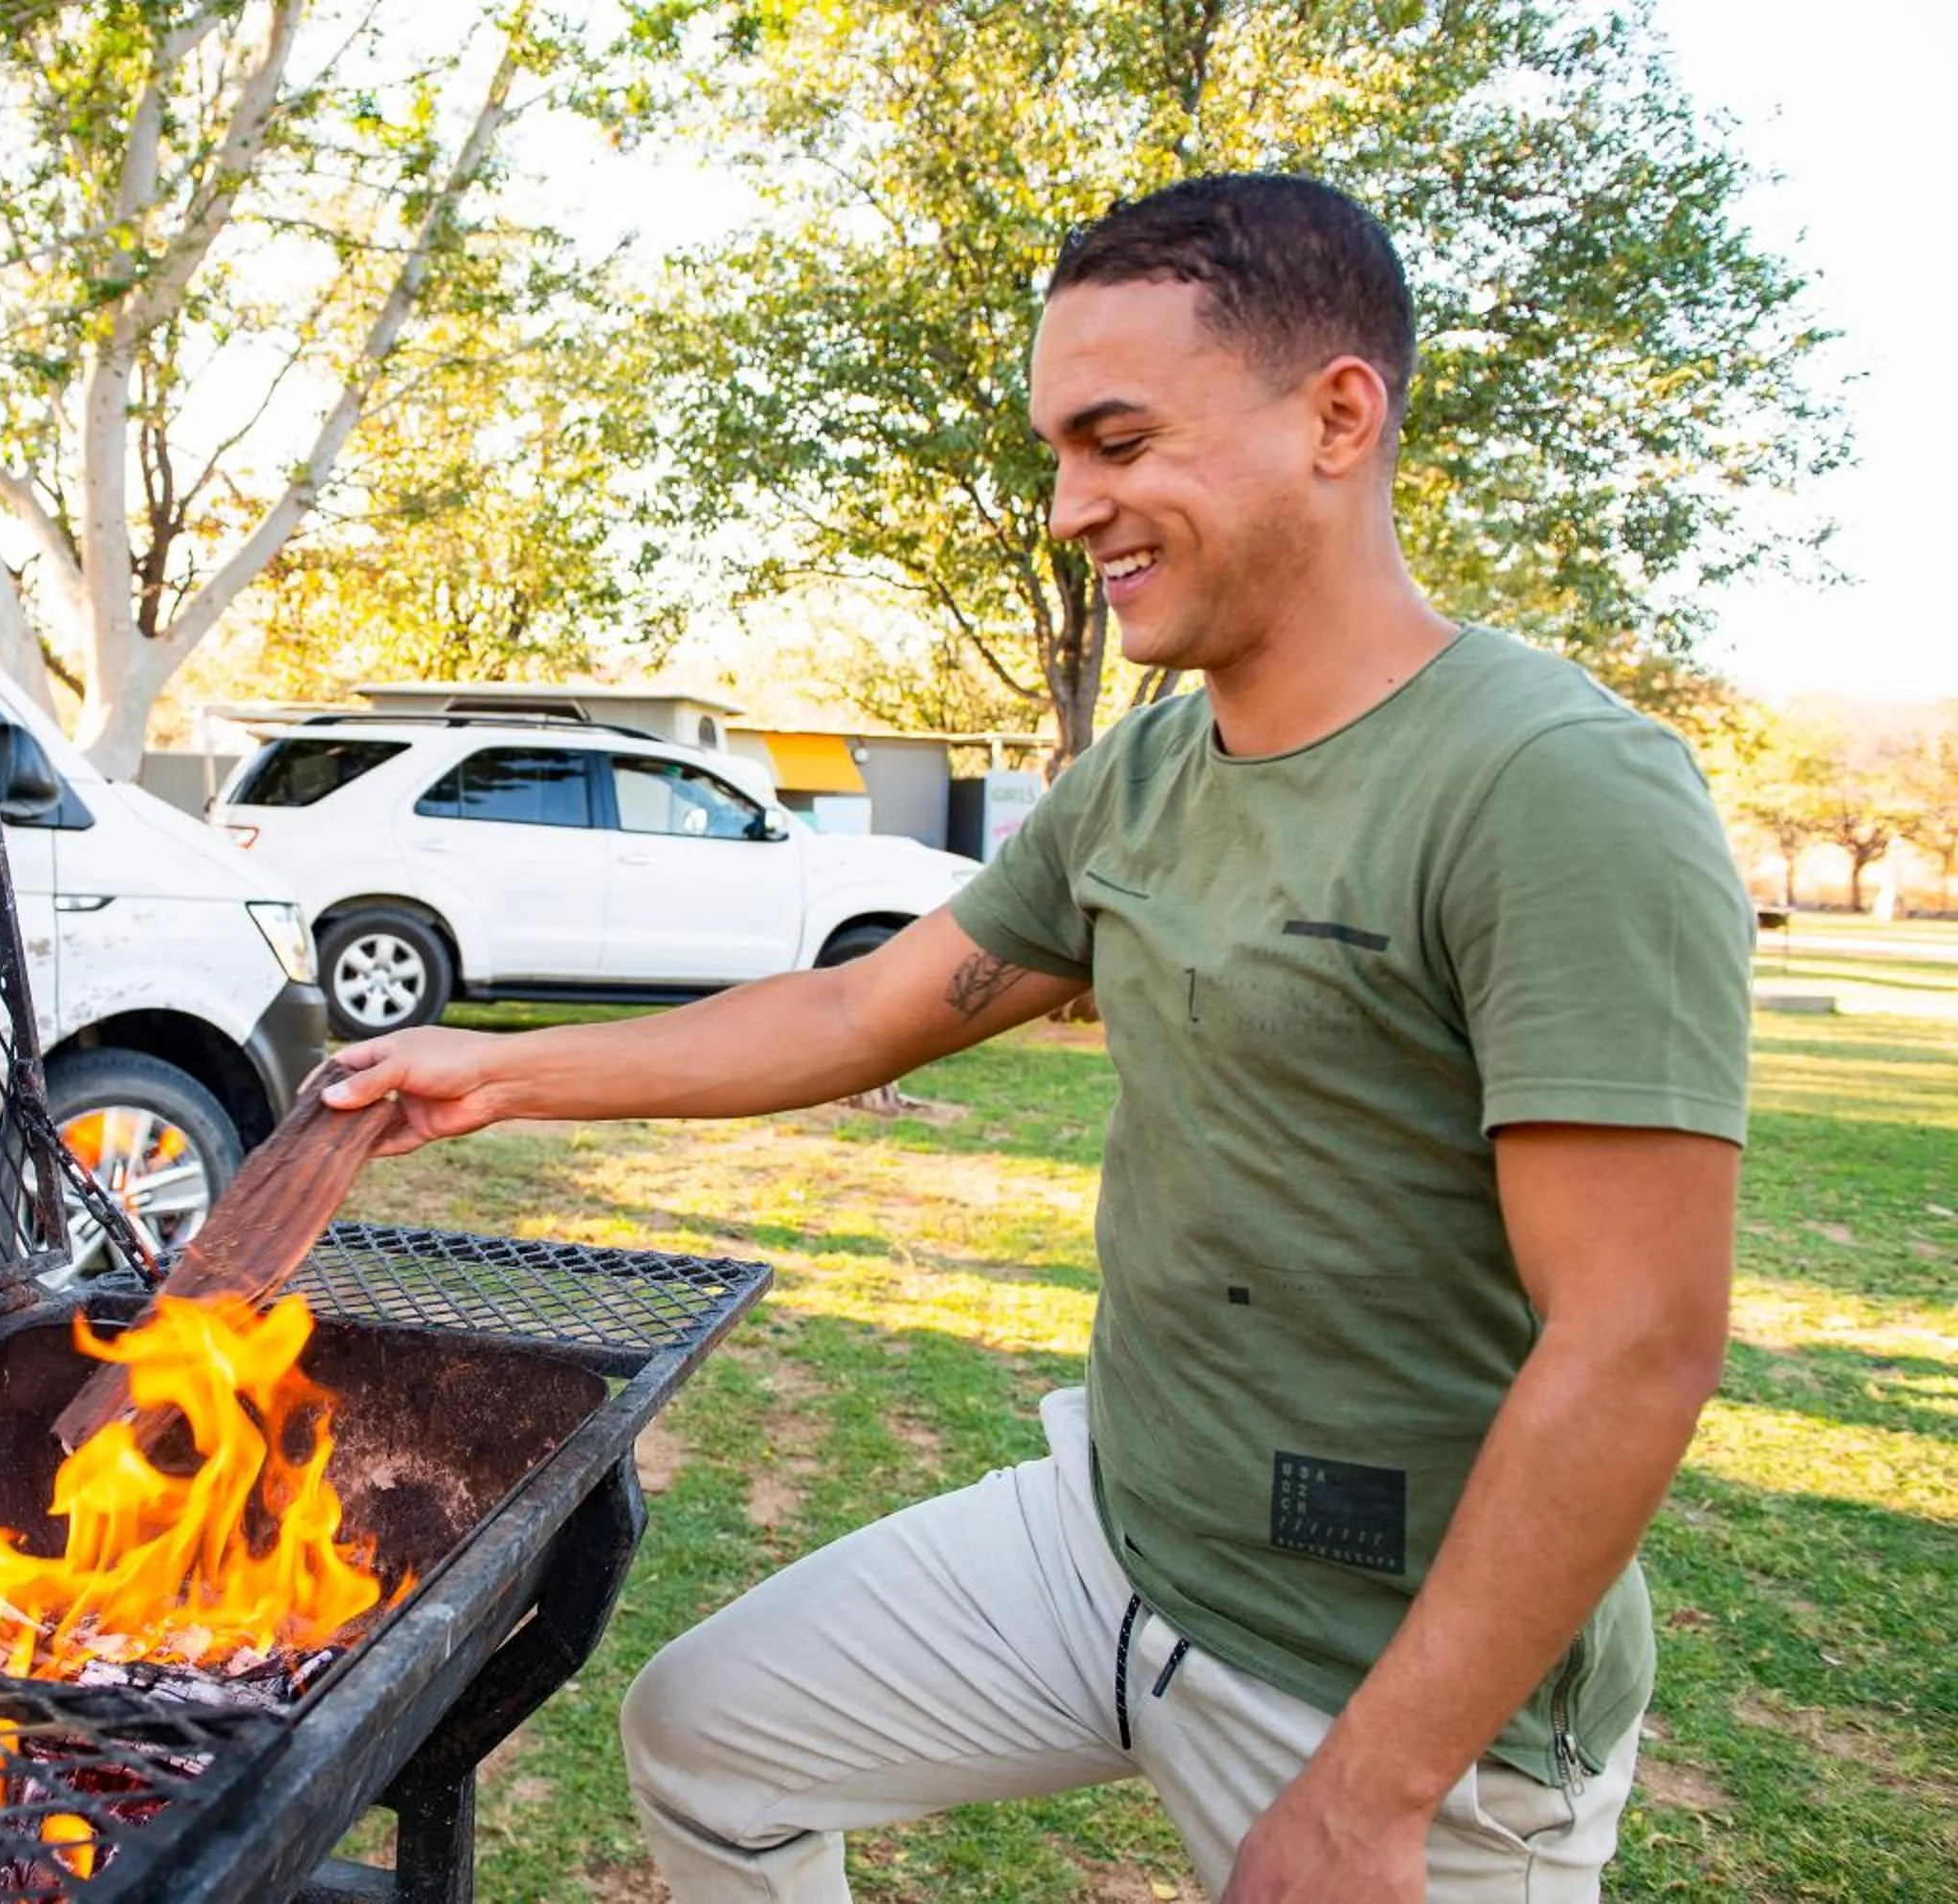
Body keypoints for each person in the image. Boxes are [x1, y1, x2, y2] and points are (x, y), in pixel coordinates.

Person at [322, 173, 1752, 1903]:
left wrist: (1377, 1787)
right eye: (1060, 453)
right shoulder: (1143, 773)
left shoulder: (1555, 785)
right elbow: (865, 1004)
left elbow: (1637, 1339)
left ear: (1338, 415)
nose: (1075, 506)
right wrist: (496, 1068)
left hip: (1388, 1677)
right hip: (1118, 1535)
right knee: (714, 1742)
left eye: (1121, 439)